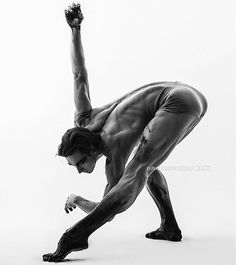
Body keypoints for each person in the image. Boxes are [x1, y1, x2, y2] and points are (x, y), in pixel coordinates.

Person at [43, 3, 208, 262]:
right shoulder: (85, 119)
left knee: (138, 169)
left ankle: (73, 237)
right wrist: (75, 30)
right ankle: (170, 226)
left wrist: (78, 205)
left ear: (90, 150)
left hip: (177, 102)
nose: (80, 170)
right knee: (148, 164)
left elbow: (110, 207)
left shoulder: (114, 149)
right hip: (185, 97)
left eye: (80, 163)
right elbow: (78, 75)